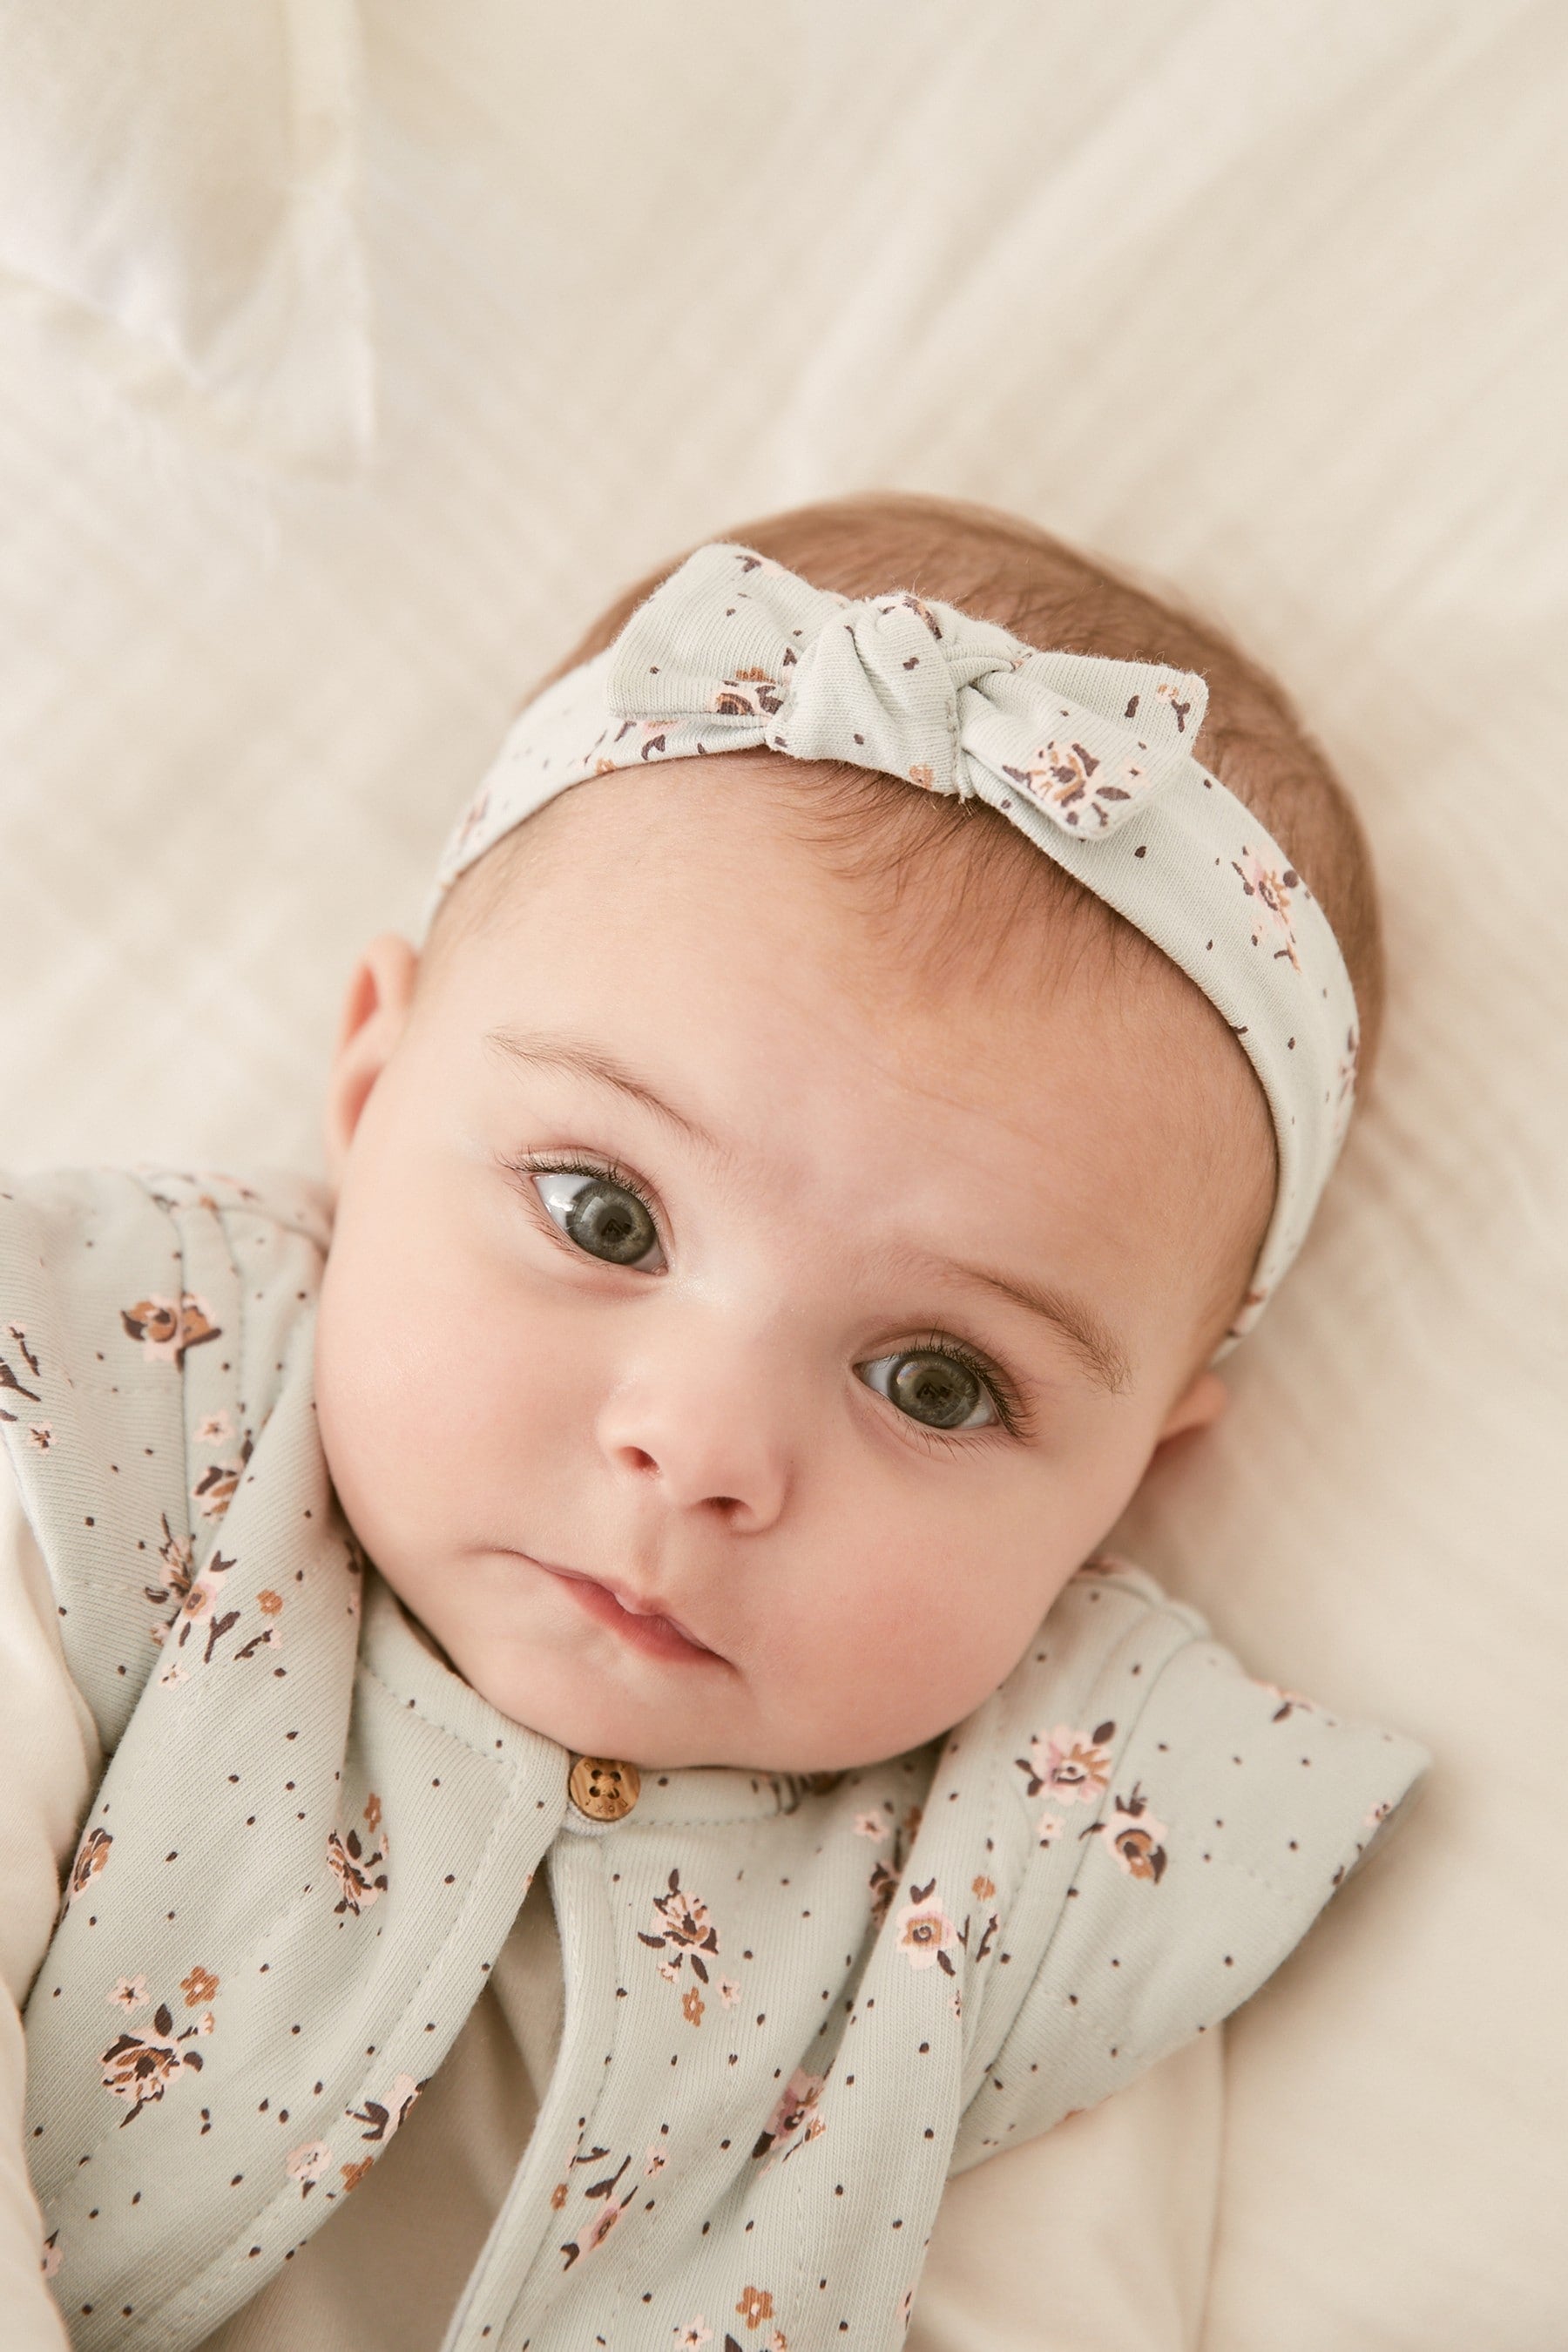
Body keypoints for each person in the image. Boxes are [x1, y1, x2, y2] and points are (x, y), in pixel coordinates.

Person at [1, 494, 1428, 2351]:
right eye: (606, 1214)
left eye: (937, 1383)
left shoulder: (1064, 1860)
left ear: (1132, 1475)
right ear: (370, 1085)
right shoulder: (119, 1402)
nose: (703, 1448)